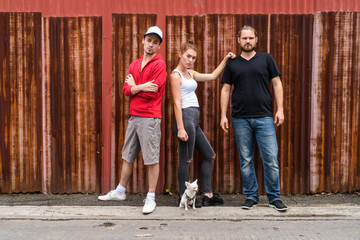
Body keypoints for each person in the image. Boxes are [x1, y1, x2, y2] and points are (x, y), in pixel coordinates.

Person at [98, 26, 167, 214]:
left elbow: (153, 93)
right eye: (149, 40)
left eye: (155, 42)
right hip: (134, 116)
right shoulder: (134, 64)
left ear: (159, 46)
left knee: (151, 158)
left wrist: (136, 87)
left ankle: (151, 197)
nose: (151, 45)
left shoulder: (160, 64)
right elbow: (126, 90)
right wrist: (141, 87)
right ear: (143, 41)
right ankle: (120, 191)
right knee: (127, 155)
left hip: (150, 118)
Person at [220, 25, 288, 211]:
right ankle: (251, 196)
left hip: (264, 117)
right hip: (240, 118)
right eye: (244, 38)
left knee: (271, 159)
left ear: (256, 39)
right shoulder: (233, 63)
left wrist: (280, 109)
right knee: (246, 160)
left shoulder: (266, 59)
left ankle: (274, 197)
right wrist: (222, 115)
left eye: (251, 38)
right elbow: (225, 89)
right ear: (238, 40)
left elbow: (277, 84)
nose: (247, 41)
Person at [170, 41, 235, 207]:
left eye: (193, 57)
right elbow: (177, 103)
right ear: (180, 54)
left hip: (194, 120)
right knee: (186, 160)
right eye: (188, 56)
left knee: (209, 155)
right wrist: (181, 128)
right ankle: (183, 197)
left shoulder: (191, 73)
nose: (190, 60)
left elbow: (213, 76)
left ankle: (207, 194)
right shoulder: (175, 75)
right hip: (185, 118)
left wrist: (226, 59)